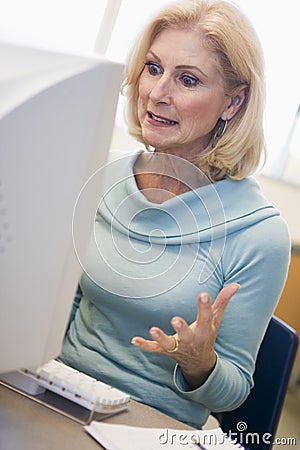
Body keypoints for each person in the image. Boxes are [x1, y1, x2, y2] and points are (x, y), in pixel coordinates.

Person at [60, 0, 291, 428]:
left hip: (155, 426)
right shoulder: (99, 175)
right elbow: (60, 307)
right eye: (152, 68)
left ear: (233, 103)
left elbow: (234, 390)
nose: (157, 93)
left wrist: (200, 363)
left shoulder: (259, 234)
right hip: (60, 393)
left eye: (187, 79)